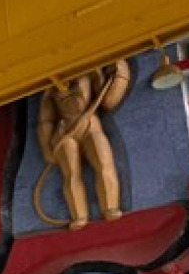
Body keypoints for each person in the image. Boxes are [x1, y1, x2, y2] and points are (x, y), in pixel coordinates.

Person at [36, 60, 132, 230]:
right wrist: (46, 148)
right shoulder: (50, 89)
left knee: (103, 163)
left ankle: (110, 207)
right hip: (64, 132)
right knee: (71, 174)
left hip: (89, 125)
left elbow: (109, 101)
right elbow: (45, 120)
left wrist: (120, 73)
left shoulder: (88, 71)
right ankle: (79, 216)